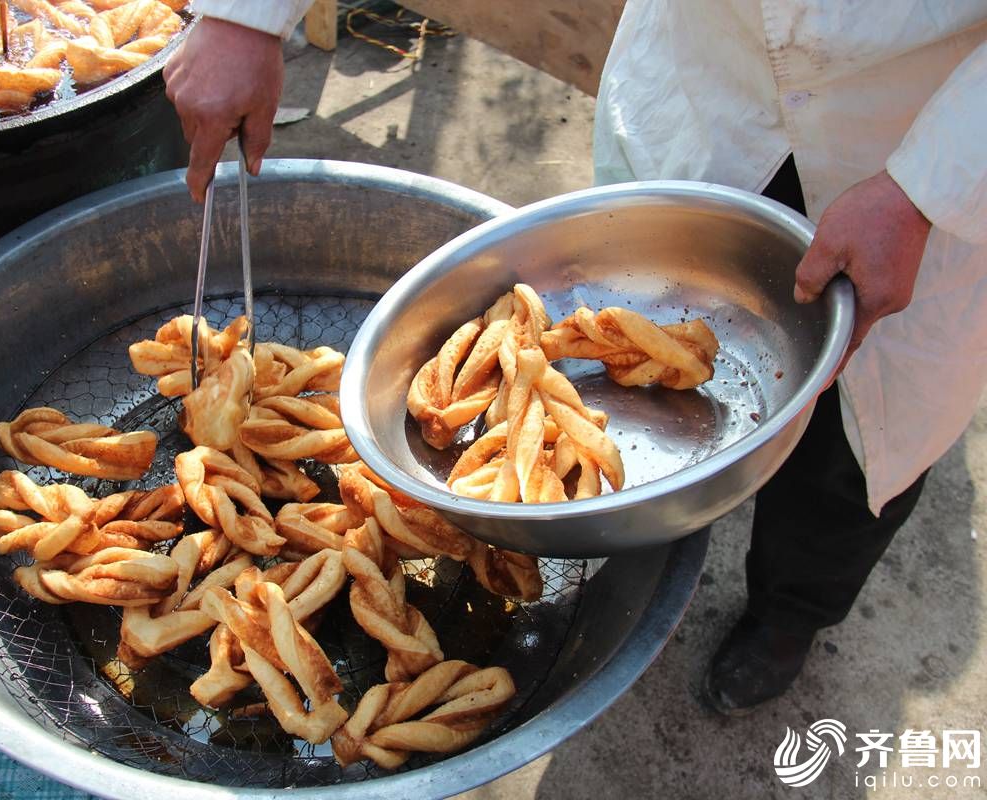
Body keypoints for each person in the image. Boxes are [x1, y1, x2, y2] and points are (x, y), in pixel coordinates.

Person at [163, 1, 987, 714]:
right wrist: (244, 13)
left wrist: (926, 187)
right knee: (640, 399)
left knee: (851, 460)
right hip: (710, 96)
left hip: (920, 137)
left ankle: (791, 615)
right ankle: (647, 545)